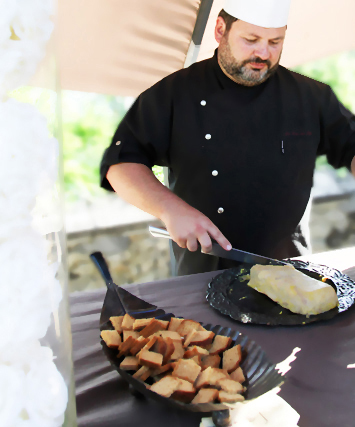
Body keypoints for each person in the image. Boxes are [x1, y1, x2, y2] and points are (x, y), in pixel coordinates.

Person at [100, 0, 355, 276]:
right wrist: (171, 210)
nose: (263, 52)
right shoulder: (174, 94)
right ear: (220, 30)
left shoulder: (311, 96)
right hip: (201, 273)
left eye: (275, 42)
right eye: (251, 39)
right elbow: (121, 164)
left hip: (289, 272)